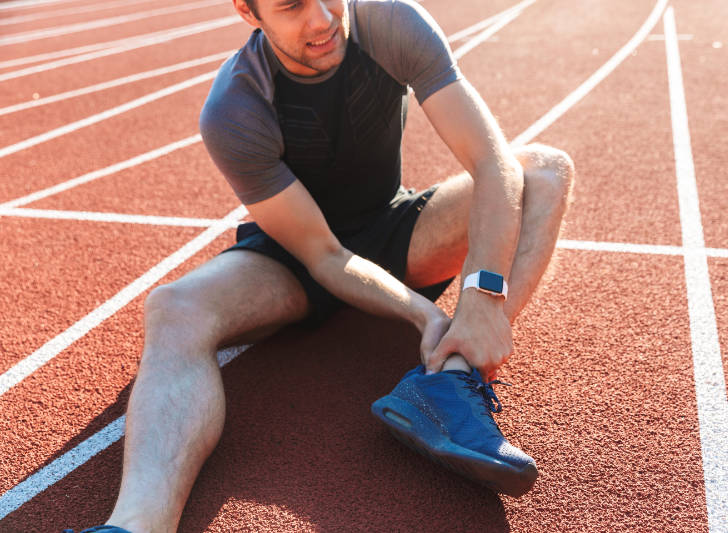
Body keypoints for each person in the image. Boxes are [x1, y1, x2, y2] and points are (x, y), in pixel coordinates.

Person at [63, 0, 574, 531]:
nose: (324, 19)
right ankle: (136, 525)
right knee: (174, 307)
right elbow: (325, 256)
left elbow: (491, 162)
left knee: (544, 170)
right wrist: (424, 315)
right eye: (292, 5)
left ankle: (450, 380)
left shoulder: (391, 23)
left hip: (395, 227)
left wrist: (483, 298)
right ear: (248, 10)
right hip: (297, 259)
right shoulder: (236, 108)